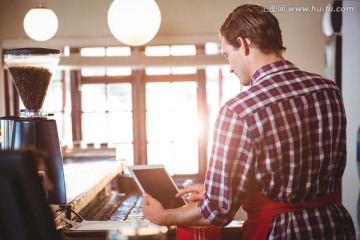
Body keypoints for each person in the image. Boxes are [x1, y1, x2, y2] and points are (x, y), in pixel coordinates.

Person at [142, 4, 356, 239]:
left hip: (281, 232)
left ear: (243, 44)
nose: (230, 67)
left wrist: (166, 216)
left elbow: (218, 211)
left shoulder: (239, 110)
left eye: (227, 55)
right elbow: (297, 175)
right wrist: (217, 190)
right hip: (336, 226)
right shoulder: (328, 89)